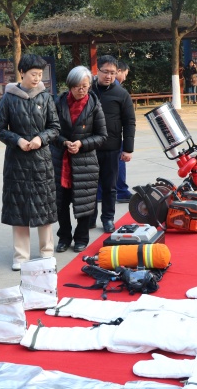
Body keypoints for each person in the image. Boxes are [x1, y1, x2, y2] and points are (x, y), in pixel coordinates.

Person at [0, 54, 60, 271]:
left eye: (40, 74)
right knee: (19, 207)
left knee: (44, 206)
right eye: (33, 74)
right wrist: (18, 140)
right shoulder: (8, 98)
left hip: (41, 160)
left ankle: (46, 253)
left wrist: (41, 138)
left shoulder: (46, 97)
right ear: (22, 73)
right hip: (17, 160)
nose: (37, 78)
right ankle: (21, 256)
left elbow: (55, 127)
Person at [52, 66, 107, 253]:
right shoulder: (58, 103)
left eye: (85, 86)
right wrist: (63, 142)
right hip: (61, 160)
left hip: (86, 162)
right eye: (77, 86)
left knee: (84, 203)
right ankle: (64, 237)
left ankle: (82, 238)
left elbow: (102, 136)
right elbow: (51, 131)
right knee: (61, 203)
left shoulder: (94, 105)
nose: (81, 90)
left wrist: (82, 143)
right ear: (70, 86)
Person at [91, 55, 136, 233]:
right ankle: (89, 219)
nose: (109, 76)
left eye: (112, 72)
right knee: (89, 186)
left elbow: (129, 122)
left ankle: (108, 219)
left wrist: (128, 149)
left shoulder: (121, 94)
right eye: (105, 72)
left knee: (110, 187)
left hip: (111, 148)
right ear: (97, 71)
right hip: (88, 148)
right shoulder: (88, 90)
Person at [115, 60, 133, 203]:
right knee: (119, 161)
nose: (125, 78)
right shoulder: (119, 91)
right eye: (125, 75)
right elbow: (129, 121)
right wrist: (128, 148)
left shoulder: (97, 87)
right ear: (118, 71)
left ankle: (101, 193)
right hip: (113, 135)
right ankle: (121, 191)